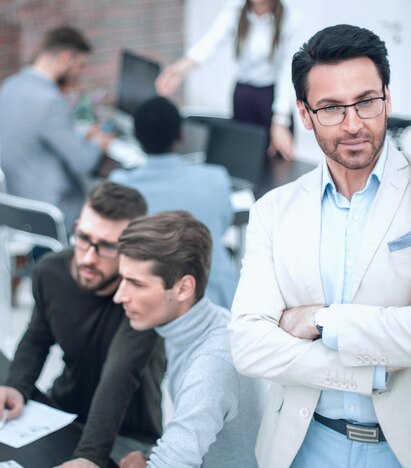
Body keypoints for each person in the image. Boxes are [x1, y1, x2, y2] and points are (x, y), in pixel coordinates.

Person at [229, 24, 411, 468]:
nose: (354, 123)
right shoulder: (273, 210)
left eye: (366, 101)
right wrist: (373, 369)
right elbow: (248, 344)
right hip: (306, 445)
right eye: (332, 109)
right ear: (304, 114)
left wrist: (322, 321)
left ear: (387, 98)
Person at [0, 181, 165, 468]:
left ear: (132, 249)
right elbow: (36, 339)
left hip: (128, 434)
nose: (88, 258)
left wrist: (89, 457)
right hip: (63, 412)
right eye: (83, 237)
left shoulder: (142, 296)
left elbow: (118, 376)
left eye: (107, 246)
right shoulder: (50, 271)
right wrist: (15, 385)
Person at [113, 211, 262, 468]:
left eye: (135, 283)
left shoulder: (212, 363)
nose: (119, 296)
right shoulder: (203, 323)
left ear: (183, 288)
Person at [110, 96, 239, 309]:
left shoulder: (120, 186)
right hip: (217, 299)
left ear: (137, 136)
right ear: (181, 135)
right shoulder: (217, 178)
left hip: (151, 302)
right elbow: (224, 226)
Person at [0, 26, 113, 234]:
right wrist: (100, 143)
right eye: (80, 65)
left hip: (15, 204)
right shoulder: (49, 101)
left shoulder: (10, 86)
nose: (79, 73)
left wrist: (80, 136)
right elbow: (84, 163)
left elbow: (37, 135)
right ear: (67, 57)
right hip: (52, 212)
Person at [156, 0, 302, 160]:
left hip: (273, 98)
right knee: (243, 158)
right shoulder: (234, 10)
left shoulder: (290, 18)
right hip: (243, 96)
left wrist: (280, 121)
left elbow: (288, 70)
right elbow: (210, 42)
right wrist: (177, 70)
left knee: (277, 160)